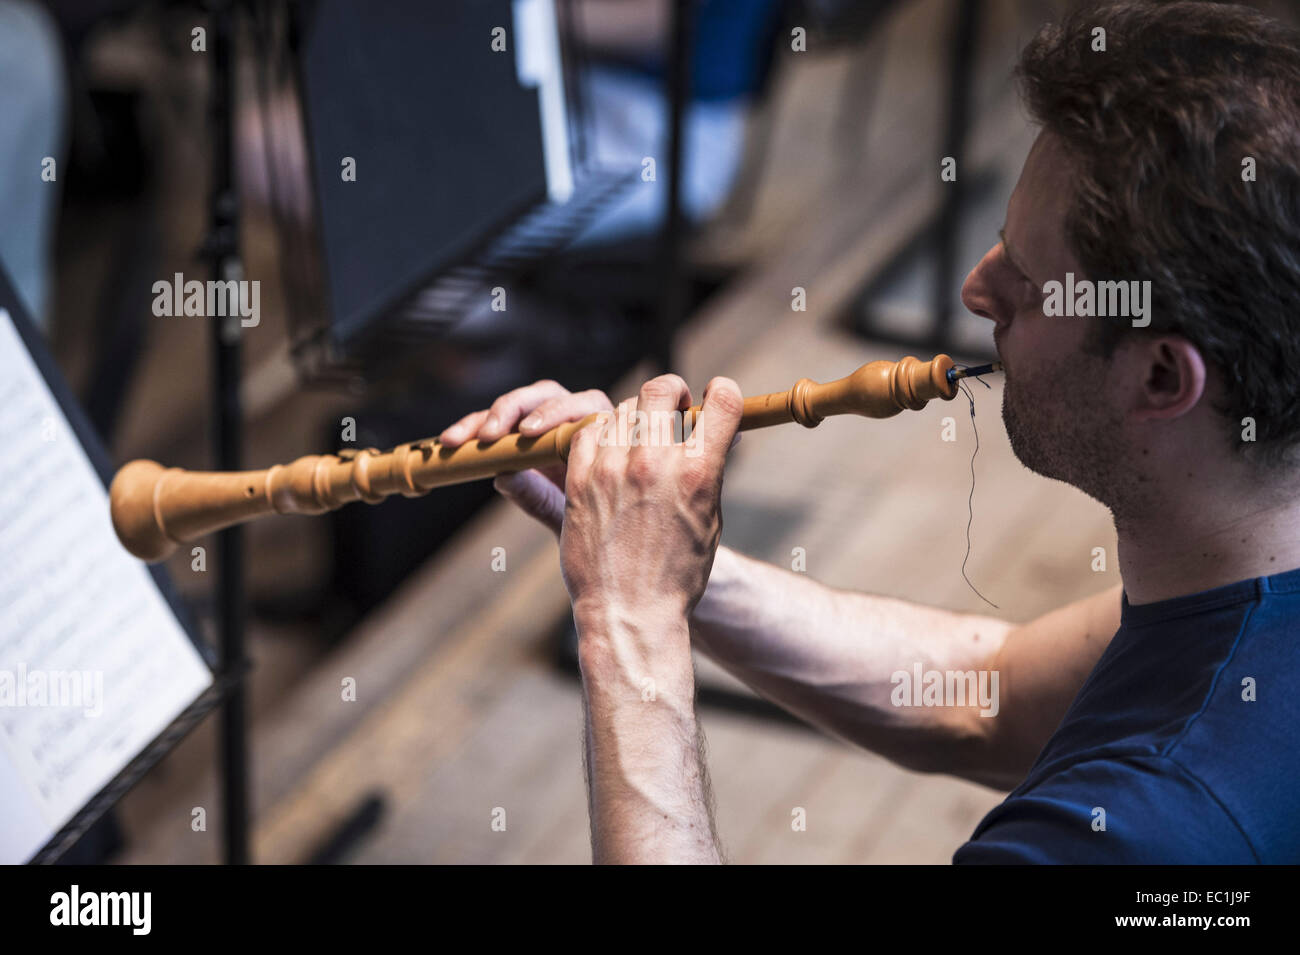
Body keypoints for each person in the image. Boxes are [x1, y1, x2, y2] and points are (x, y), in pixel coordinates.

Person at [438, 0, 1300, 864]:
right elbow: (986, 701)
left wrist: (629, 617)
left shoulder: (1152, 832)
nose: (975, 288)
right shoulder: (1244, 574)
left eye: (1026, 279)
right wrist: (665, 554)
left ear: (1161, 377)